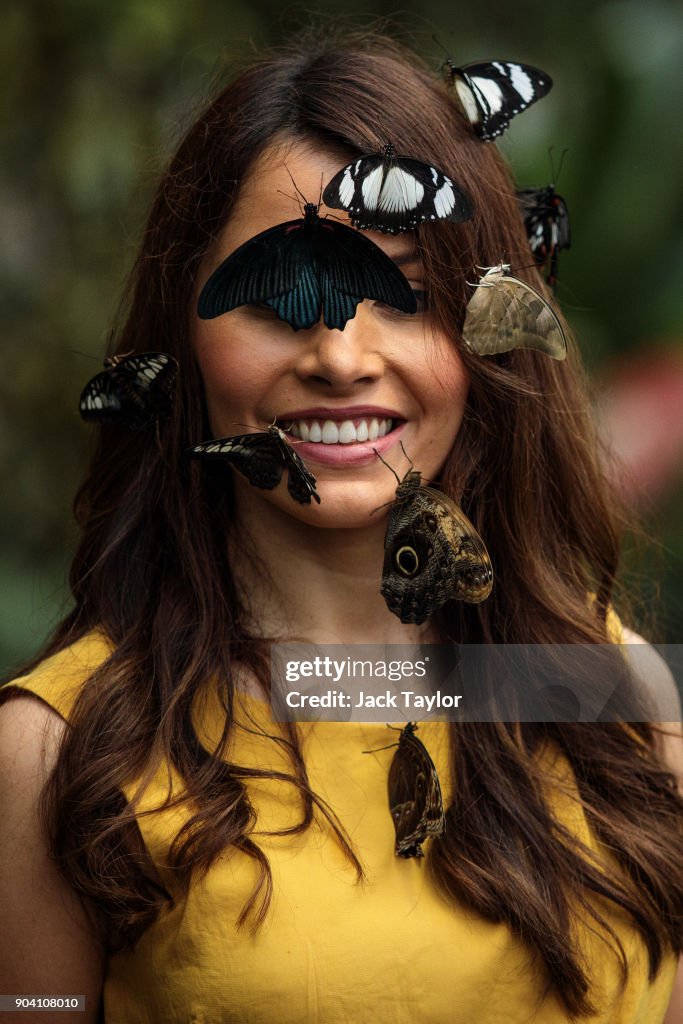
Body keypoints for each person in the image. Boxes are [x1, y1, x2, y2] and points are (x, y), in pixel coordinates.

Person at [1, 30, 681, 1024]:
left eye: (402, 291)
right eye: (279, 296)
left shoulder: (624, 708)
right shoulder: (61, 756)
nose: (339, 356)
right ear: (180, 338)